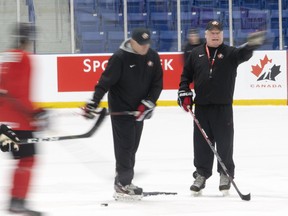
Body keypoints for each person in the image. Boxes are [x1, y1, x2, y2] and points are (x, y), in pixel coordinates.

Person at [177, 20, 265, 194]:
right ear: (206, 34)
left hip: (223, 108)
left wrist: (251, 45)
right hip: (201, 107)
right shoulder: (195, 53)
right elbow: (185, 76)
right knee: (202, 143)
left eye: (218, 33)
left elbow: (244, 54)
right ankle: (201, 174)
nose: (215, 35)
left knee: (225, 143)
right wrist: (184, 92)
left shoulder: (231, 53)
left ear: (222, 34)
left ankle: (225, 173)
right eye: (212, 33)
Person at [83, 27, 163, 200]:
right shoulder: (120, 58)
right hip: (121, 109)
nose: (144, 47)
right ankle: (122, 184)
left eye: (147, 44)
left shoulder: (153, 57)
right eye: (141, 44)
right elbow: (104, 83)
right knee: (125, 147)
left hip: (139, 111)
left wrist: (148, 103)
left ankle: (124, 181)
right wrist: (93, 103)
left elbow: (157, 84)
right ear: (132, 41)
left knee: (132, 146)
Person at [0, 22, 45, 215]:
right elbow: (20, 93)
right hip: (19, 121)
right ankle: (17, 201)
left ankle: (14, 201)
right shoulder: (25, 58)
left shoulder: (5, 56)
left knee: (20, 159)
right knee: (27, 160)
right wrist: (36, 112)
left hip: (3, 122)